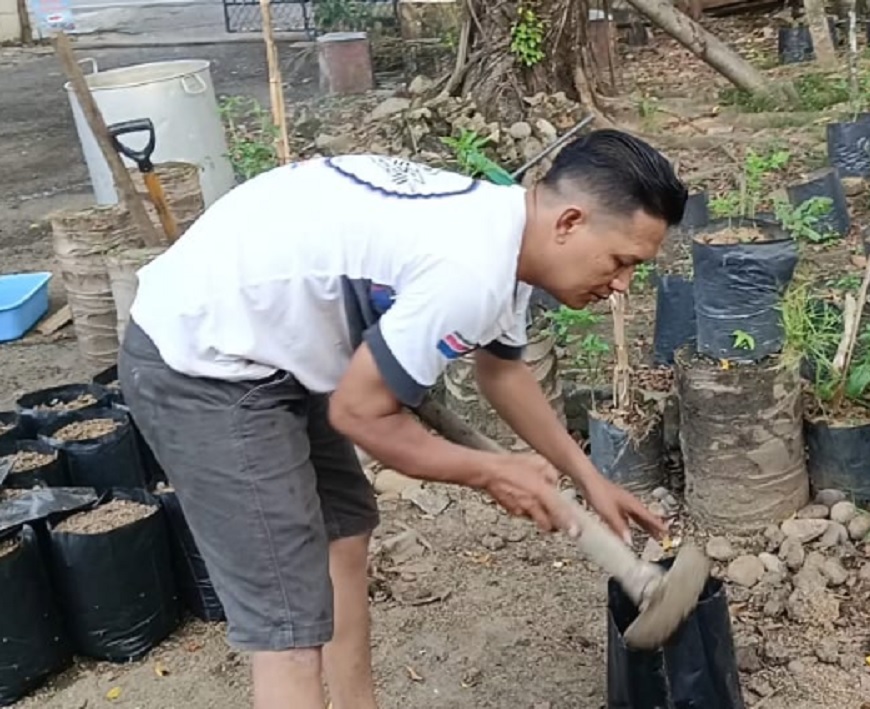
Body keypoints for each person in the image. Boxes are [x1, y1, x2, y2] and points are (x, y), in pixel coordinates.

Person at [116, 128, 689, 709]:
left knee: (345, 530)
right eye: (622, 262)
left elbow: (502, 372)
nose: (623, 284)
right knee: (289, 624)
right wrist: (490, 472)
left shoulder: (511, 231)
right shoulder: (469, 269)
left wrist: (588, 478)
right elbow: (360, 415)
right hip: (202, 358)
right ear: (569, 222)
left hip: (276, 338)